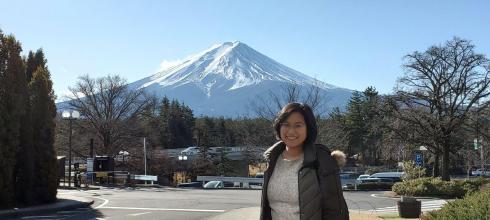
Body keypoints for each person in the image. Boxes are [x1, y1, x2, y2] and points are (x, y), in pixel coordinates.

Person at [260, 102, 349, 220]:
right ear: (279, 127)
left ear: (308, 128)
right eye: (286, 124)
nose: (291, 131)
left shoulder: (322, 161)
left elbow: (335, 211)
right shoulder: (272, 159)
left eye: (298, 125)